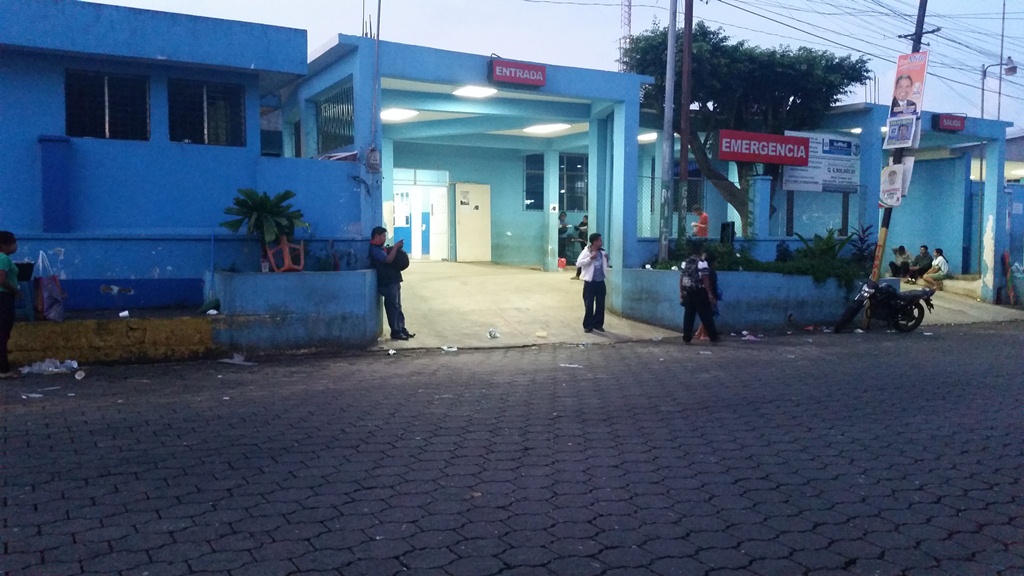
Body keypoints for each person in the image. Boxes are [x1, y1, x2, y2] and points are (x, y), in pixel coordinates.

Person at [369, 226, 414, 341]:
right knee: (392, 307)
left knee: (398, 306)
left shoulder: (381, 248)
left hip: (394, 280)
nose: (385, 238)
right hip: (387, 283)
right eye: (383, 236)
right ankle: (396, 331)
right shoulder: (375, 250)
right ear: (376, 236)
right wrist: (396, 247)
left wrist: (395, 248)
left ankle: (401, 328)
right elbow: (388, 260)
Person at [680, 244, 719, 344]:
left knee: (688, 316)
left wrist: (681, 291)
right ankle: (713, 337)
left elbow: (681, 278)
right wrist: (709, 294)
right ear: (700, 252)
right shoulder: (702, 263)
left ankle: (686, 338)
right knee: (706, 315)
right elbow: (705, 280)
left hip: (688, 292)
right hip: (700, 292)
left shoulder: (686, 263)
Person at [576, 232, 610, 333]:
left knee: (600, 304)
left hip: (600, 282)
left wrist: (607, 259)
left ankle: (598, 324)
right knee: (589, 304)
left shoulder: (602, 252)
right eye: (600, 240)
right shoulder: (587, 251)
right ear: (594, 242)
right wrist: (590, 258)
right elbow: (578, 263)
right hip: (590, 283)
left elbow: (605, 265)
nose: (601, 242)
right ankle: (588, 325)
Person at [0, 231, 20, 379]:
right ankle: (3, 369)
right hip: (3, 298)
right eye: (13, 243)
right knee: (3, 333)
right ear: (4, 245)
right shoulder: (3, 258)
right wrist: (15, 290)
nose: (15, 246)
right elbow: (1, 279)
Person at [693, 250, 721, 341]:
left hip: (700, 294)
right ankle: (703, 334)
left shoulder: (701, 269)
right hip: (707, 295)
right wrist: (711, 295)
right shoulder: (710, 272)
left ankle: (699, 332)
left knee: (705, 315)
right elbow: (710, 284)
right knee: (708, 315)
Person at [573, 215, 589, 280]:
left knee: (582, 259)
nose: (583, 220)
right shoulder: (582, 223)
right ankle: (578, 275)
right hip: (583, 244)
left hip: (587, 245)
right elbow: (578, 228)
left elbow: (585, 228)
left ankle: (579, 275)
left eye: (584, 219)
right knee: (581, 259)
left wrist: (580, 228)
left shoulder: (590, 225)